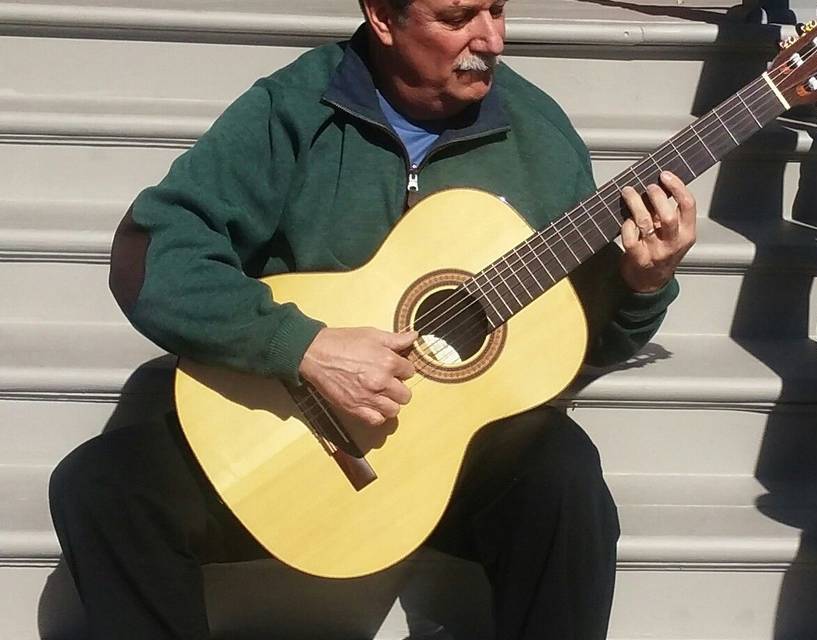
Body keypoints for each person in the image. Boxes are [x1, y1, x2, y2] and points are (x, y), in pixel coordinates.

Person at [49, 0, 697, 638]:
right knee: (103, 490)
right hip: (293, 434)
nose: (492, 39)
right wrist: (302, 346)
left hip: (454, 456)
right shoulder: (294, 110)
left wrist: (642, 283)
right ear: (384, 18)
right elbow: (153, 254)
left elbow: (581, 342)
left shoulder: (539, 136)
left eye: (498, 10)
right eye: (458, 17)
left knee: (565, 479)